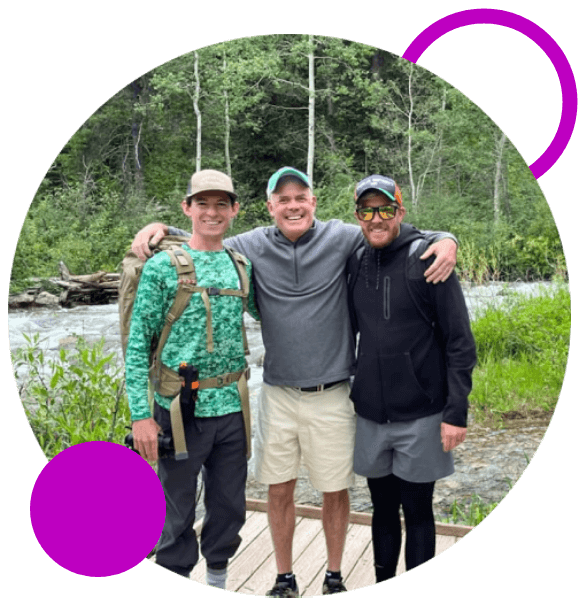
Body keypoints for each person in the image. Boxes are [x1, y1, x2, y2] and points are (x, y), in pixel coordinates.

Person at [131, 167, 458, 596]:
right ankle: (284, 577)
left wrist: (445, 237)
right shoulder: (247, 247)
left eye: (300, 197)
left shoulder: (343, 236)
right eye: (282, 199)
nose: (292, 205)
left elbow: (389, 225)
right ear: (269, 208)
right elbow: (206, 234)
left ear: (313, 202)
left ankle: (335, 576)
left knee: (334, 489)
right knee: (278, 487)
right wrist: (162, 228)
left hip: (334, 391)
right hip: (277, 392)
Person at [125, 169, 260, 589]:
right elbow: (135, 346)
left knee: (228, 507)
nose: (212, 212)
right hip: (179, 411)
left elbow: (261, 315)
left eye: (222, 203)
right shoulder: (162, 268)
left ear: (235, 210)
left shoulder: (241, 265)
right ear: (187, 208)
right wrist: (140, 416)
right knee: (176, 511)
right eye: (202, 203)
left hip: (233, 408)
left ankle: (218, 578)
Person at [347, 174, 477, 583]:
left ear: (400, 211)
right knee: (381, 509)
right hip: (370, 413)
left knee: (418, 510)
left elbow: (460, 342)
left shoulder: (428, 259)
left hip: (422, 412)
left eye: (385, 208)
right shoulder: (354, 258)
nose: (377, 218)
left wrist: (456, 411)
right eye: (367, 210)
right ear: (358, 216)